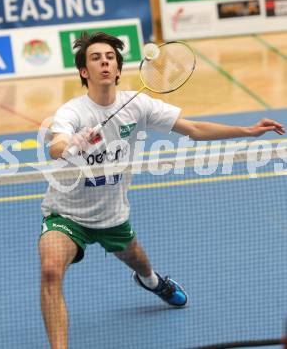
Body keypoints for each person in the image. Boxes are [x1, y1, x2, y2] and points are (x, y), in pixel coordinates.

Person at [39, 31, 284, 349]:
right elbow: (56, 145)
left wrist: (247, 130)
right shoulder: (72, 111)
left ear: (117, 69)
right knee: (49, 270)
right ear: (84, 71)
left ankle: (152, 281)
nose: (104, 62)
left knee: (139, 261)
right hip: (67, 214)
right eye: (96, 58)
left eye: (110, 58)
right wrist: (72, 142)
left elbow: (194, 129)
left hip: (111, 214)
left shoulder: (136, 105)